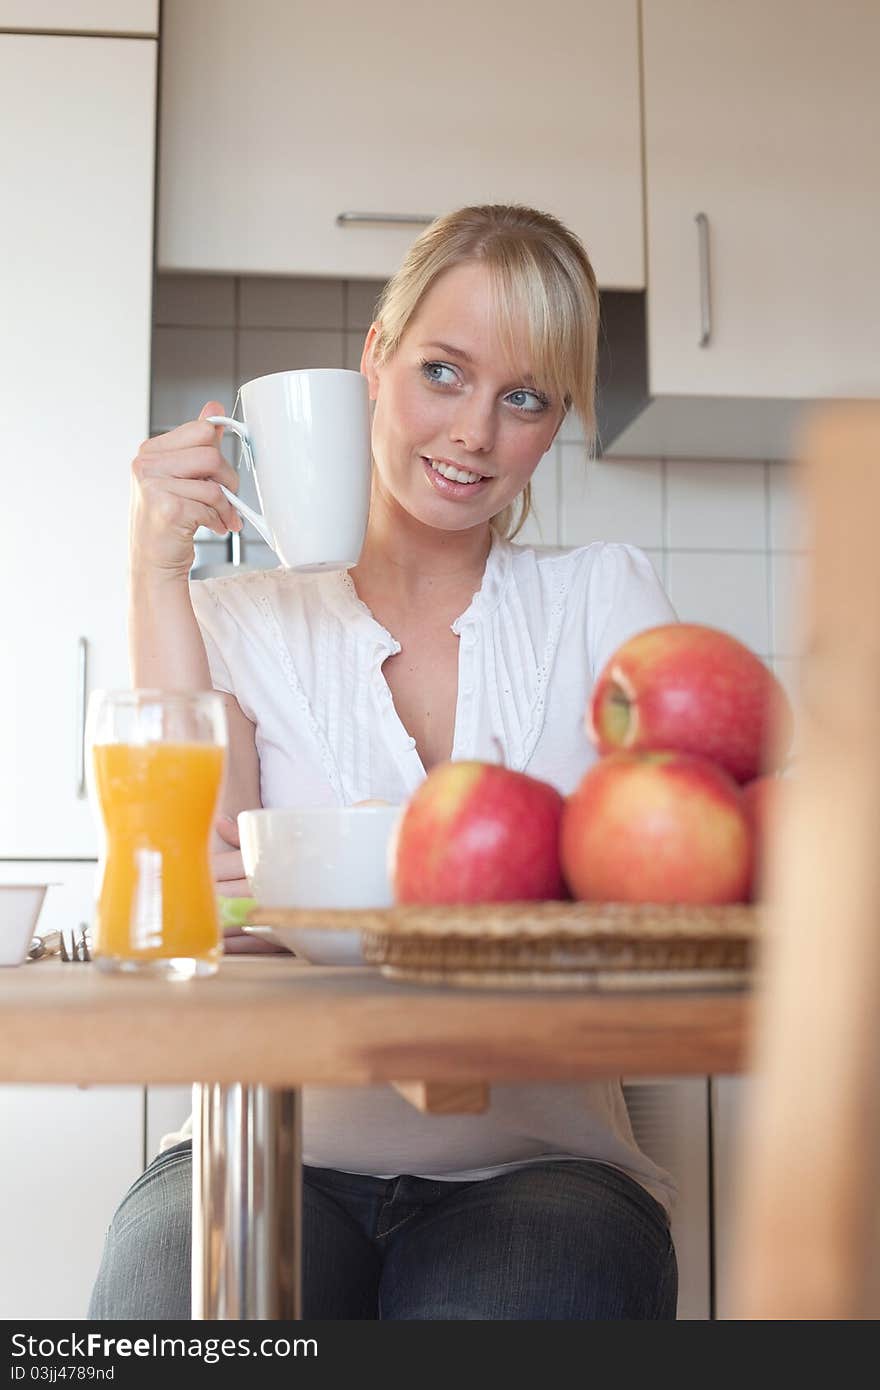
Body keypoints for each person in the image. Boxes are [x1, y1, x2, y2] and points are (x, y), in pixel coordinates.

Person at [89, 204, 679, 1321]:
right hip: (259, 1143)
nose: (473, 435)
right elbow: (196, 881)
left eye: (525, 398)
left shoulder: (603, 597)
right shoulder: (239, 615)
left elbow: (690, 858)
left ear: (554, 421)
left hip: (540, 1162)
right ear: (374, 356)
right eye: (443, 373)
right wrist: (154, 567)